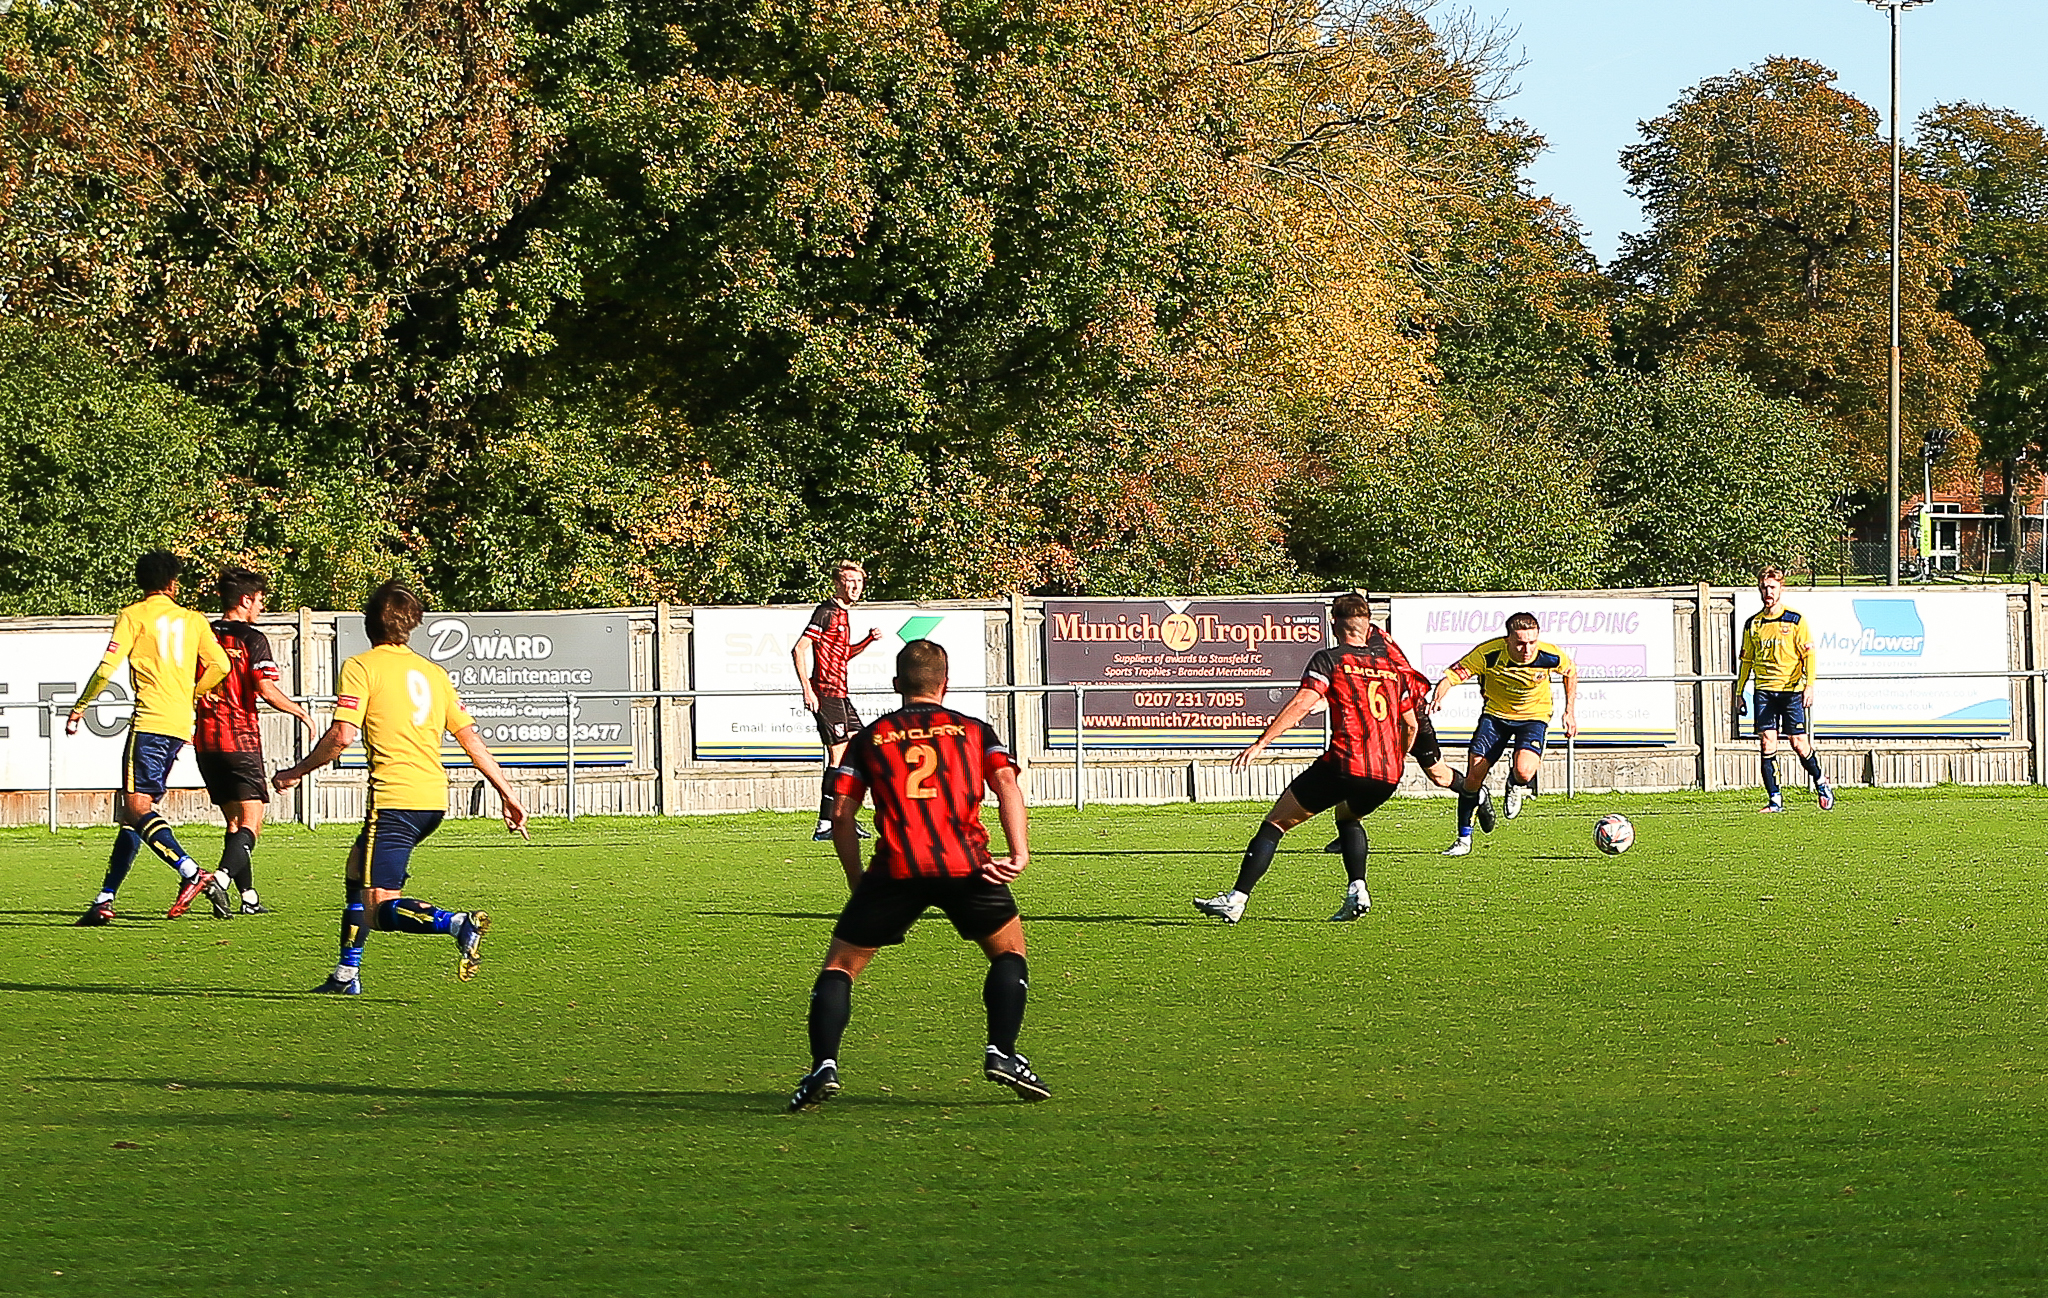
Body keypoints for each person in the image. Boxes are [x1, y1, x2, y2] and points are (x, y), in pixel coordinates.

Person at [787, 639, 1046, 1111]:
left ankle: (823, 1066)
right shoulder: (974, 730)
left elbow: (841, 814)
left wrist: (857, 879)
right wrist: (1019, 851)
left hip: (895, 868)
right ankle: (1002, 1053)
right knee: (1009, 954)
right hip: (967, 863)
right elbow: (1007, 783)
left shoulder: (870, 738)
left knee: (840, 967)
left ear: (896, 684)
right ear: (945, 684)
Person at [273, 580, 529, 995]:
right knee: (356, 870)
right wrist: (507, 791)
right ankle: (346, 975)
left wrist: (295, 771)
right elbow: (471, 740)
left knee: (378, 909)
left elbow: (342, 735)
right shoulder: (434, 674)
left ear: (368, 624)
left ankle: (457, 923)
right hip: (433, 800)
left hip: (395, 801)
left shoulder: (361, 667)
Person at [1194, 593, 1417, 925]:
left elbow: (1301, 704)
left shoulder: (1330, 659)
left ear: (1333, 623)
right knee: (1347, 818)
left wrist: (1261, 743)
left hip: (1345, 763)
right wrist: (1396, 759)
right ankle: (1358, 890)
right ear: (1368, 624)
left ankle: (1235, 900)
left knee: (1275, 823)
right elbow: (1411, 724)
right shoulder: (1392, 668)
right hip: (1387, 774)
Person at [66, 550, 231, 925]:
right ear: (172, 583)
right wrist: (193, 692)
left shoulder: (133, 616)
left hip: (149, 723)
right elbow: (221, 664)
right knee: (134, 815)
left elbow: (106, 668)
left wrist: (80, 707)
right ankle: (105, 898)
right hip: (178, 725)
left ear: (142, 583)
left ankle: (191, 872)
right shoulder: (193, 619)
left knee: (137, 808)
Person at [191, 567, 314, 917]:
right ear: (245, 600)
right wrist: (301, 712)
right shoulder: (252, 638)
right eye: (260, 600)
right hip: (239, 739)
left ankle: (249, 898)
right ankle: (219, 879)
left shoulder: (203, 635)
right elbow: (266, 689)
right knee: (252, 821)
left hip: (206, 743)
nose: (261, 606)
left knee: (234, 822)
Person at [1431, 611, 1577, 857]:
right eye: (1520, 643)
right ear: (1507, 639)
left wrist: (1569, 712)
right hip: (1495, 716)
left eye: (1532, 642)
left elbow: (1570, 672)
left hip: (1534, 716)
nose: (1527, 649)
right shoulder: (1488, 653)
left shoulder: (1550, 655)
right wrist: (1439, 696)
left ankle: (1514, 783)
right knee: (1473, 778)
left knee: (1524, 771)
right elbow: (1452, 676)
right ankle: (1463, 839)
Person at [792, 560, 880, 842]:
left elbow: (842, 655)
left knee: (861, 749)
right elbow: (799, 649)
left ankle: (842, 818)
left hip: (841, 694)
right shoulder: (826, 612)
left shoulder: (843, 615)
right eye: (849, 581)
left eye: (859, 582)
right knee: (839, 757)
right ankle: (826, 824)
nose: (855, 587)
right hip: (827, 694)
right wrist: (808, 689)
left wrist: (867, 641)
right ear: (837, 583)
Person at [1734, 566, 1834, 813]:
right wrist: (1739, 692)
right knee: (1767, 743)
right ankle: (1775, 800)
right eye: (1764, 587)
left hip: (1791, 691)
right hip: (1764, 691)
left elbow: (1809, 655)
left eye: (1772, 587)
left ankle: (1820, 781)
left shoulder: (1795, 620)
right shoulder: (1753, 624)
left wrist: (1809, 685)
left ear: (1781, 588)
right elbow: (1746, 660)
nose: (1768, 592)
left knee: (1798, 743)